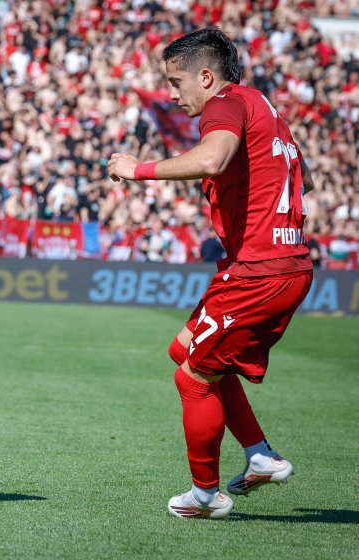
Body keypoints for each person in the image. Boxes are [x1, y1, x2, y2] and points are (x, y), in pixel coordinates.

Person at [108, 27, 314, 519]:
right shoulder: (261, 106)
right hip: (272, 265)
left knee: (193, 379)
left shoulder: (223, 104)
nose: (172, 94)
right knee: (185, 351)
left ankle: (205, 495)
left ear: (206, 77)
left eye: (176, 82)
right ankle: (260, 455)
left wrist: (138, 170)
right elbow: (286, 179)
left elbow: (212, 159)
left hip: (260, 272)